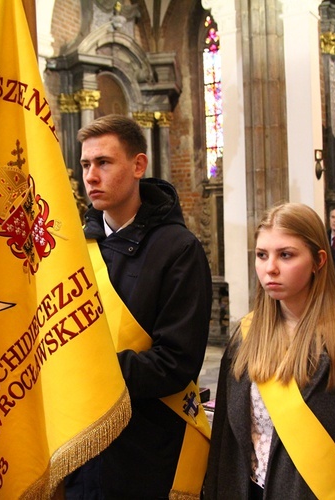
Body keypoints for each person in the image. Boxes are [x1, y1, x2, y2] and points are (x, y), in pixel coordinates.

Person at [65, 115, 213, 498]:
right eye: (85, 165)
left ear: (138, 165)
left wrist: (85, 371)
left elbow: (175, 363)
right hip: (82, 438)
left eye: (104, 163)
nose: (91, 176)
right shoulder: (75, 250)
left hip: (144, 449)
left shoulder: (179, 250)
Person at [206, 202, 335, 499]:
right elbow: (225, 441)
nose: (270, 268)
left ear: (319, 260)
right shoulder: (245, 335)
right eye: (262, 255)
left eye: (286, 255)